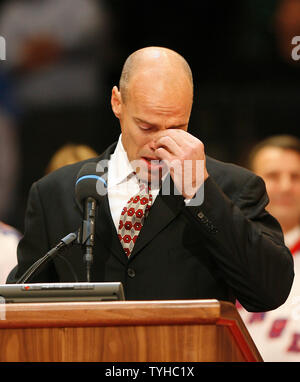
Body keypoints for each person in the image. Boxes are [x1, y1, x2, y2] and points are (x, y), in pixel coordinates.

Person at [8, 47, 294, 313]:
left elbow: (269, 292)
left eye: (176, 127)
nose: (159, 143)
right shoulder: (53, 194)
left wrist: (200, 192)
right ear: (117, 102)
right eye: (147, 126)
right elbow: (18, 307)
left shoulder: (232, 187)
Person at [237, 135, 300, 361]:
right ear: (248, 183)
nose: (286, 187)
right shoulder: (226, 250)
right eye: (273, 176)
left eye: (296, 177)